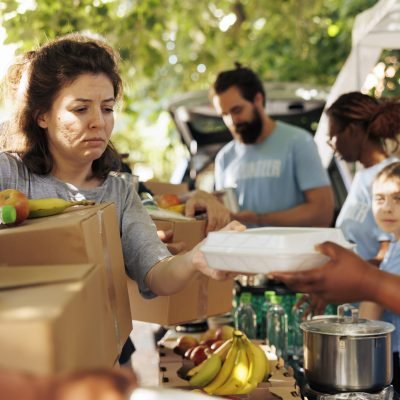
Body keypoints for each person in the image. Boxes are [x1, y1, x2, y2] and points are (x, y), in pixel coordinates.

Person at [0, 33, 245, 368]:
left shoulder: (119, 192)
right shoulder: (10, 175)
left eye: (107, 108)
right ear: (42, 115)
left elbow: (157, 272)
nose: (98, 122)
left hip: (96, 368)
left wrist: (196, 259)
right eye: (80, 108)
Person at [210, 64, 334, 228]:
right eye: (224, 115)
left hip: (290, 251)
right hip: (240, 252)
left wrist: (259, 219)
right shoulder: (224, 158)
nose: (232, 121)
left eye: (237, 110)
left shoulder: (298, 142)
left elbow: (322, 214)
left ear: (258, 99)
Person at [327, 92, 400, 264]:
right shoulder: (363, 176)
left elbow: (388, 256)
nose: (332, 145)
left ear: (352, 131)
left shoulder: (389, 178)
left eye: (332, 136)